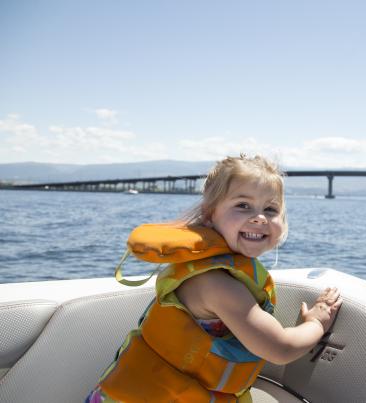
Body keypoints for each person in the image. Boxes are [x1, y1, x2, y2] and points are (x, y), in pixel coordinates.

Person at [86, 154, 343, 403]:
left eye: (271, 209)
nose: (259, 217)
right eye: (243, 205)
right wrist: (317, 321)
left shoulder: (207, 268)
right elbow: (280, 349)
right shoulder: (216, 285)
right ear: (210, 215)